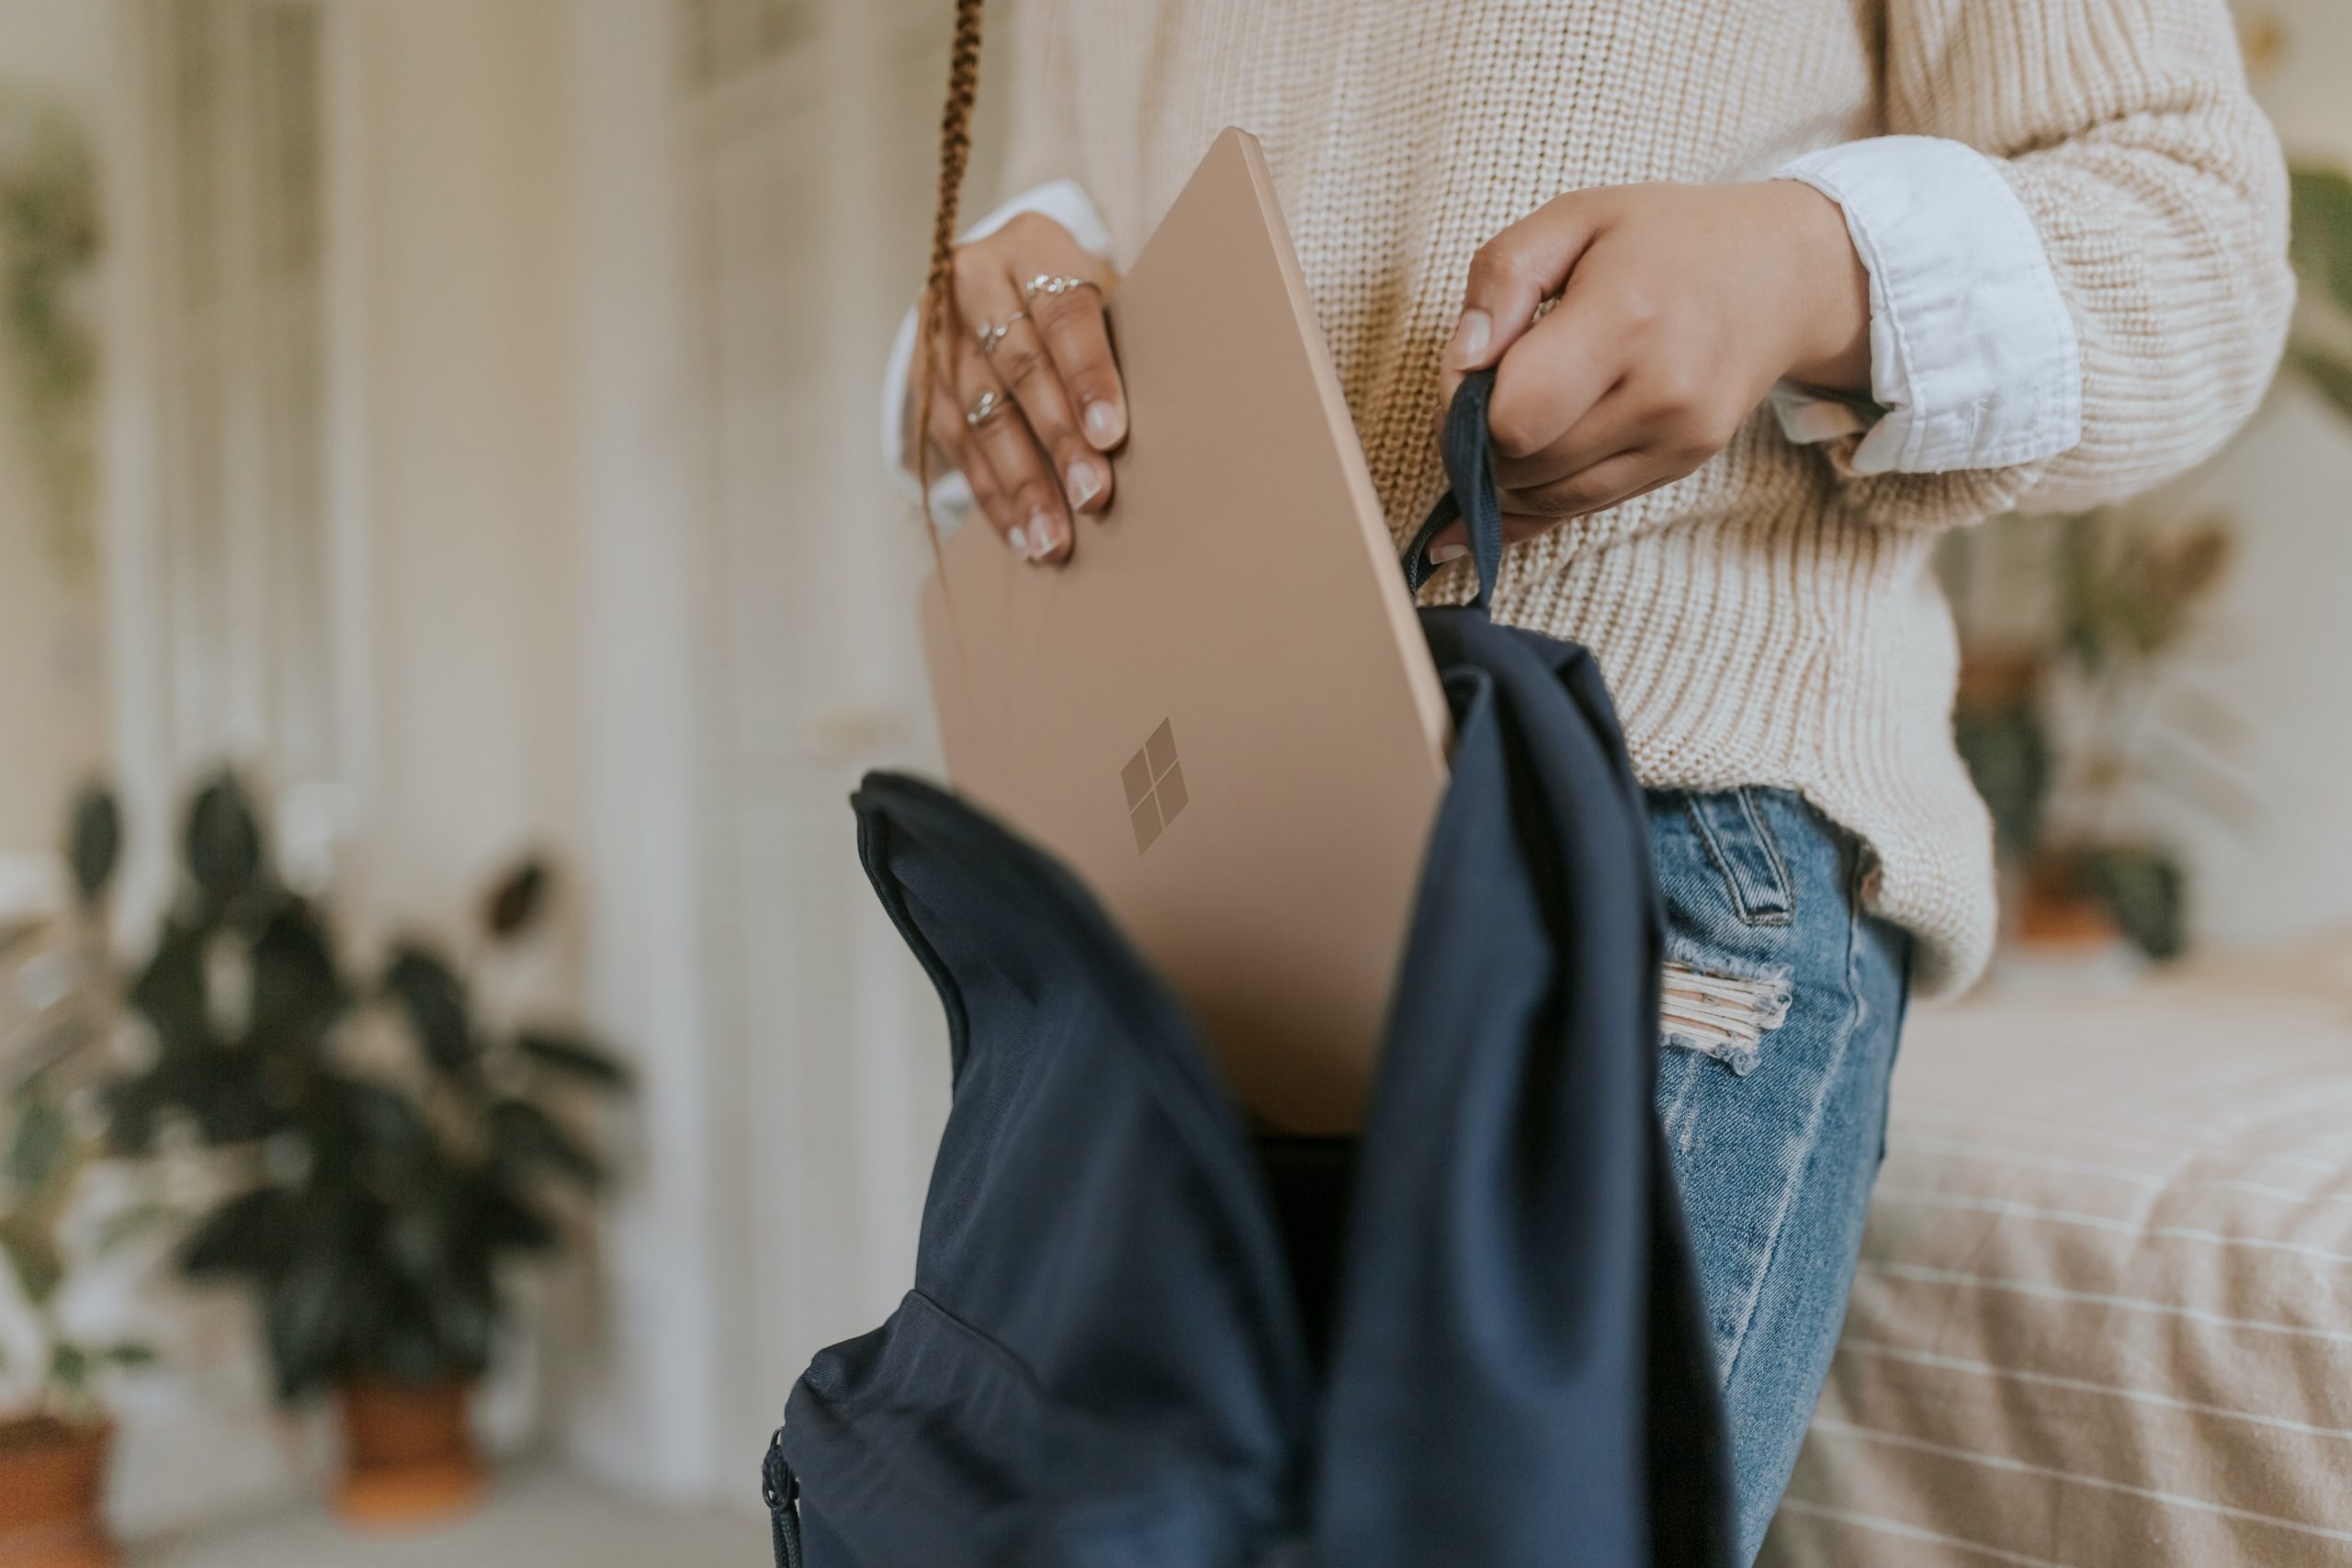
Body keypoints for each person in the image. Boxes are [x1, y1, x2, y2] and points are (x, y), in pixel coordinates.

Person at [880, 1, 2293, 1558]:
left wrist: (1800, 266)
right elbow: (1066, 199)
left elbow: (2199, 237)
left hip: (1646, 818)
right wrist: (995, 325)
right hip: (1180, 867)